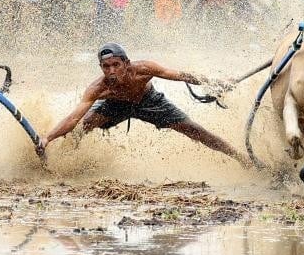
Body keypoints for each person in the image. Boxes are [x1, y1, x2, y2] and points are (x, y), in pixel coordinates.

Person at [37, 43, 247, 164]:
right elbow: (73, 118)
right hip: (114, 106)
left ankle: (241, 158)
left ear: (126, 63)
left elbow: (178, 75)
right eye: (106, 66)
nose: (111, 71)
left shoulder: (143, 69)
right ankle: (58, 163)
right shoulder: (98, 88)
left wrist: (213, 83)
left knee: (194, 130)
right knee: (81, 127)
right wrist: (47, 138)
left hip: (149, 101)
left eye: (116, 65)